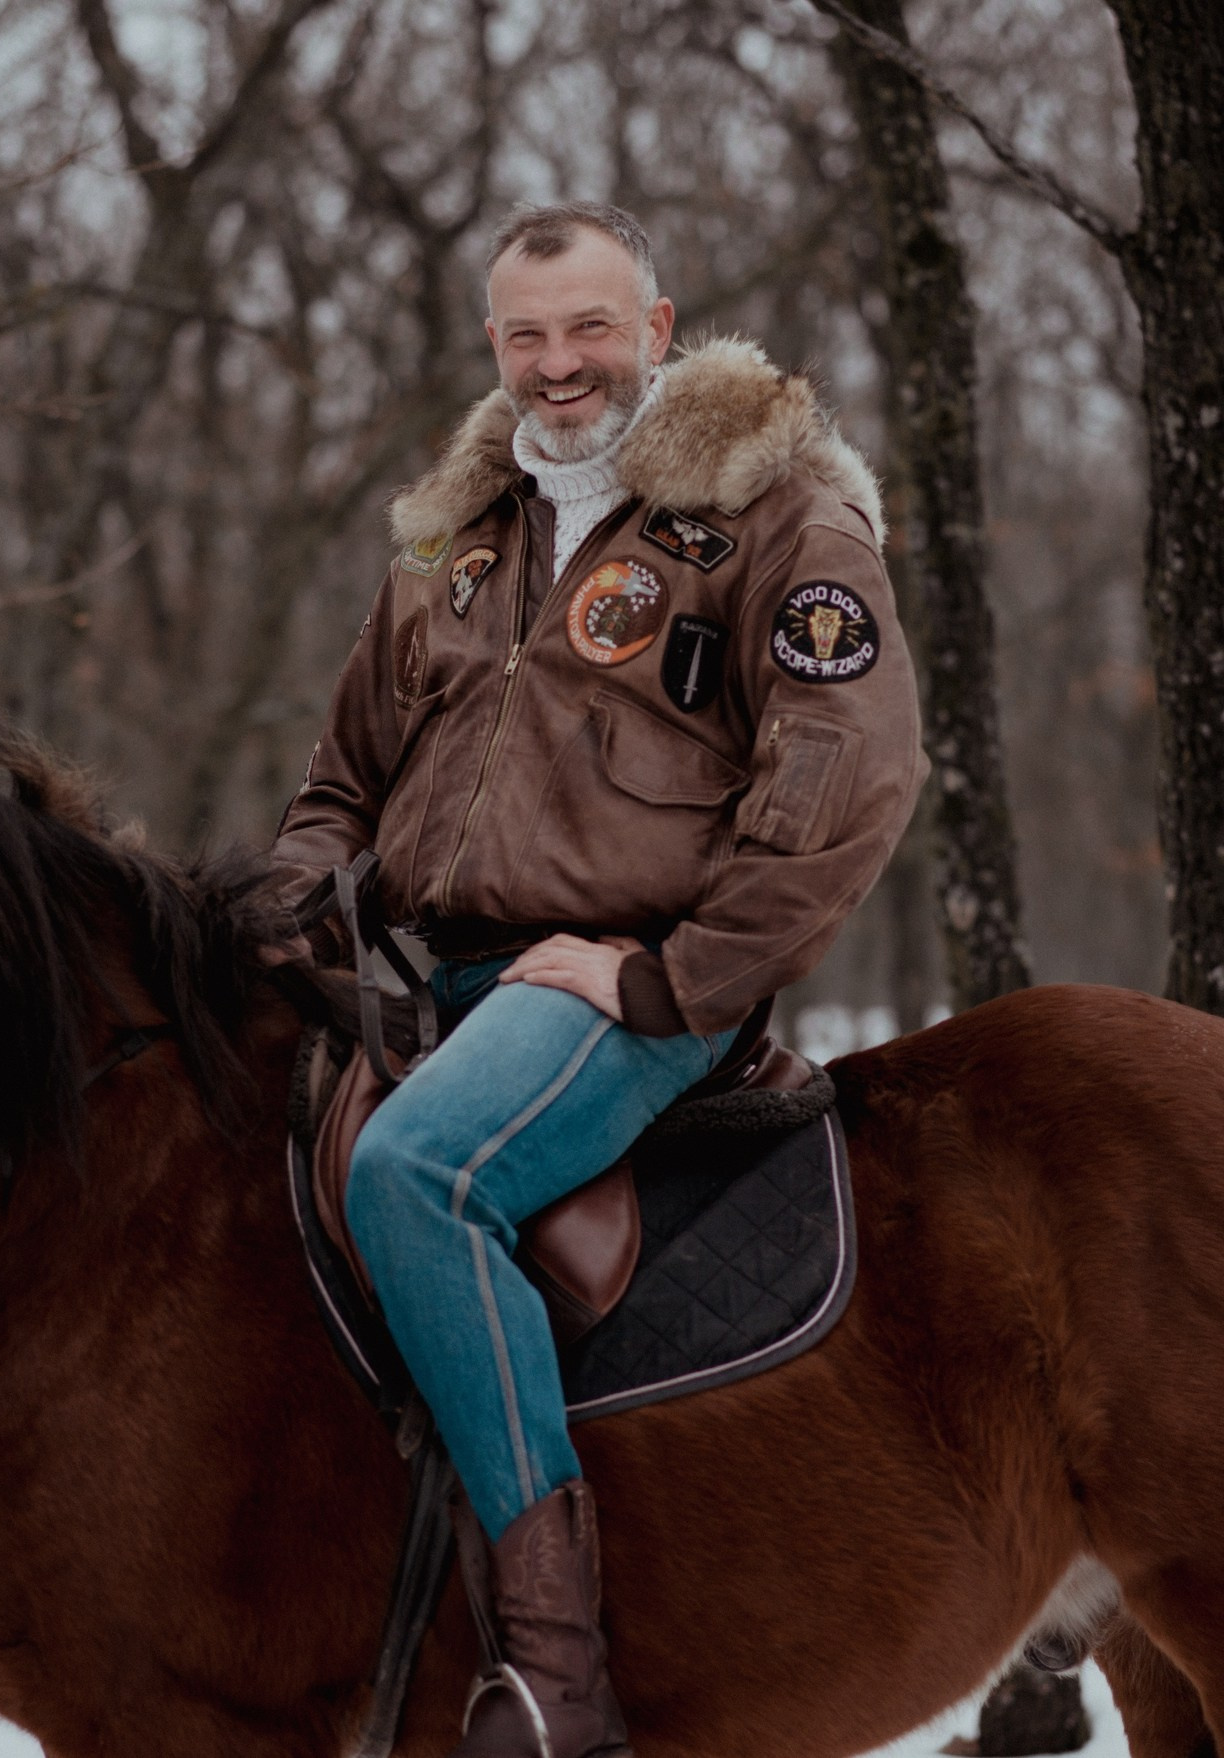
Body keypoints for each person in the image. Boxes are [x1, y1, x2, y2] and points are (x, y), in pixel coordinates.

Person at [272, 201, 926, 1758]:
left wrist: (670, 978)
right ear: (493, 345)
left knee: (419, 1176)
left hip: (622, 990)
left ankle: (558, 1666)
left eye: (588, 327)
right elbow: (337, 785)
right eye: (524, 333)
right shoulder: (452, 541)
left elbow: (853, 780)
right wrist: (294, 906)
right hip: (431, 975)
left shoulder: (776, 521)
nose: (557, 364)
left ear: (656, 324)